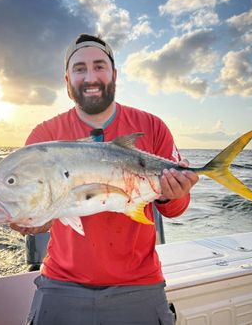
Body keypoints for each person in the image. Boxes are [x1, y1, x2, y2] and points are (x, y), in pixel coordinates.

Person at [11, 33, 199, 325]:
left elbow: (175, 209)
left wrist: (172, 193)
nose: (90, 77)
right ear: (67, 80)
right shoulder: (44, 137)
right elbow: (36, 219)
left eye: (99, 66)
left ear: (115, 74)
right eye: (80, 68)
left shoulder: (152, 126)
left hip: (139, 284)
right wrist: (27, 219)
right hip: (61, 283)